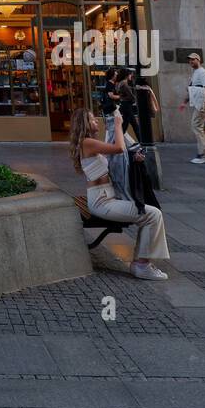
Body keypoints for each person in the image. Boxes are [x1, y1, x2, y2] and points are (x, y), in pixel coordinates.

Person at [69, 105, 169, 281]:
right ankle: (141, 264)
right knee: (153, 215)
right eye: (92, 119)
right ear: (84, 123)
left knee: (150, 214)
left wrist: (134, 158)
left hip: (105, 198)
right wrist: (118, 124)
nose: (96, 121)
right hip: (102, 202)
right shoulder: (87, 143)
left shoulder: (89, 143)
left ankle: (141, 262)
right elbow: (119, 148)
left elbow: (116, 160)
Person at [180, 51, 205, 163]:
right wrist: (184, 102)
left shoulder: (202, 73)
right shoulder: (195, 73)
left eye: (193, 59)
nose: (191, 61)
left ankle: (203, 155)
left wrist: (192, 90)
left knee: (196, 125)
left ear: (199, 60)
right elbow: (193, 89)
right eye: (190, 60)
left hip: (204, 104)